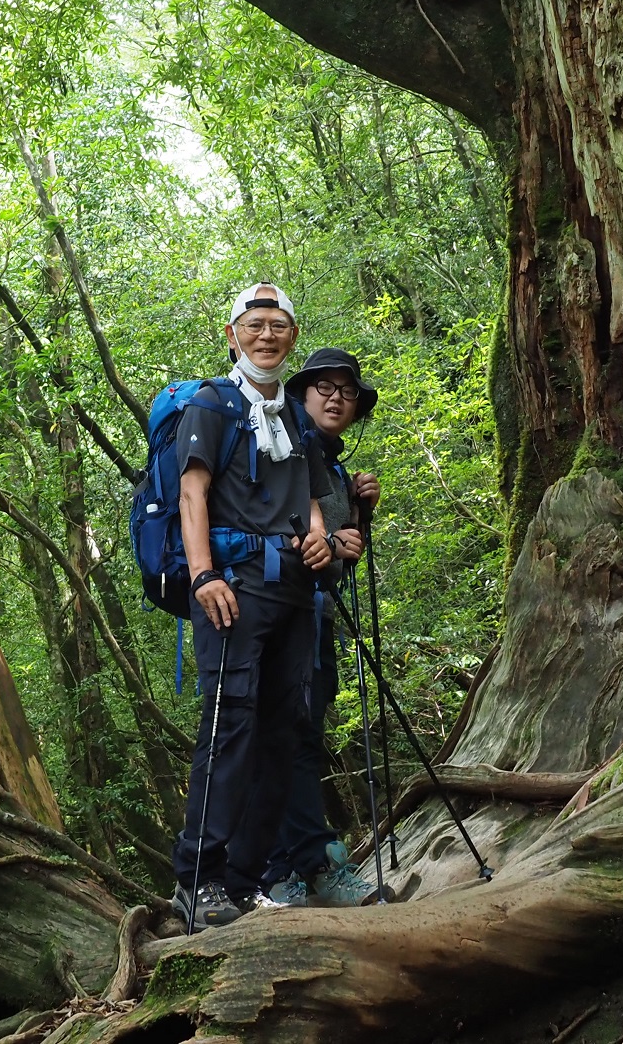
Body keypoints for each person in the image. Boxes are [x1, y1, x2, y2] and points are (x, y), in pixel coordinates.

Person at [169, 284, 346, 928]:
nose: (267, 335)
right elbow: (194, 495)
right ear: (232, 332)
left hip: (295, 594)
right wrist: (202, 576)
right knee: (229, 729)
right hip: (233, 592)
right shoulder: (212, 407)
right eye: (255, 324)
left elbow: (311, 493)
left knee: (282, 732)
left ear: (291, 336)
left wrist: (321, 534)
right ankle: (198, 880)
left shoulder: (296, 418)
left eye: (278, 326)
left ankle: (242, 881)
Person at [248, 347, 381, 908]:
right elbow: (289, 537)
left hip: (311, 618)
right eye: (322, 387)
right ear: (301, 396)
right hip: (274, 616)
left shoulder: (329, 464)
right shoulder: (283, 449)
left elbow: (332, 561)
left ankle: (291, 867)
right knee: (286, 737)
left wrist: (358, 520)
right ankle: (294, 866)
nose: (335, 397)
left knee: (300, 736)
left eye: (346, 391)